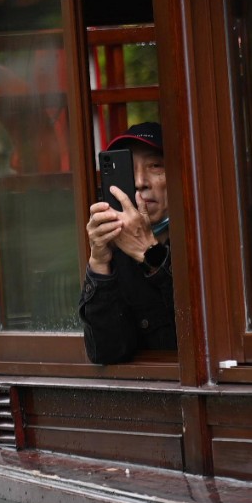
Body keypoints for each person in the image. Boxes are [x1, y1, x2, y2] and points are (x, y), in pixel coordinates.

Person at [78, 122, 174, 364]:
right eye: (129, 169)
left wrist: (150, 253)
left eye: (155, 166)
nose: (140, 181)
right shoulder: (115, 247)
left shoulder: (204, 237)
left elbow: (205, 331)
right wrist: (99, 262)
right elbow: (106, 352)